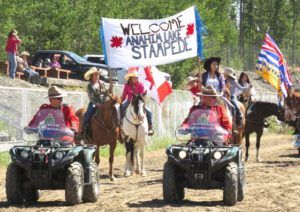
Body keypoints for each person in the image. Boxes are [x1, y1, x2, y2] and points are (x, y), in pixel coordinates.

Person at [80, 67, 113, 137]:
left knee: (114, 111)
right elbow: (91, 97)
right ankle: (83, 129)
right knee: (88, 114)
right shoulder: (90, 86)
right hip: (94, 103)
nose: (97, 76)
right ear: (92, 76)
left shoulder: (102, 83)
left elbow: (106, 93)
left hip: (104, 102)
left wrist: (110, 88)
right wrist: (97, 104)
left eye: (98, 74)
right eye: (95, 74)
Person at [121, 69, 154, 135]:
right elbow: (124, 95)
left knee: (149, 112)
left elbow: (141, 96)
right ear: (131, 78)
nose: (136, 78)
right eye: (135, 77)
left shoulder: (140, 85)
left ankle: (150, 127)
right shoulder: (127, 86)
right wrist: (120, 102)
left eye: (137, 77)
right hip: (129, 101)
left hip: (139, 102)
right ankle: (120, 126)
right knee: (120, 109)